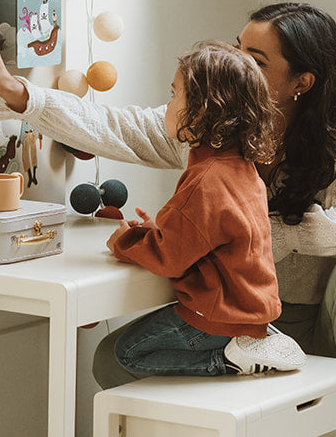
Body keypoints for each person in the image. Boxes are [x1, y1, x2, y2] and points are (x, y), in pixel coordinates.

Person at [0, 3, 336, 437]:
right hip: (255, 319)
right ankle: (272, 418)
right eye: (237, 48)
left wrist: (260, 231)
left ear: (301, 82)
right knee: (115, 365)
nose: (236, 61)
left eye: (256, 60)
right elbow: (114, 125)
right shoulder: (217, 118)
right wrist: (10, 89)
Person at [99, 41, 304, 378]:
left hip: (217, 317)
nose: (167, 105)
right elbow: (203, 236)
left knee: (127, 353)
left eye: (173, 95)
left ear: (201, 111)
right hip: (250, 309)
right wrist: (160, 231)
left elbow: (169, 257)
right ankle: (254, 344)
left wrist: (126, 240)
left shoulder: (205, 180)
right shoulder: (241, 168)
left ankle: (227, 361)